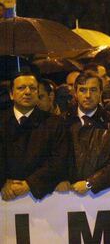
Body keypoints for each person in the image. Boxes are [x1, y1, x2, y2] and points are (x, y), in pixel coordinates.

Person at [56, 71, 110, 195]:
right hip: (68, 196)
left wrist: (91, 183)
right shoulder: (62, 122)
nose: (88, 95)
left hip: (103, 194)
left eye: (93, 90)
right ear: (75, 93)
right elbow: (55, 158)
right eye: (83, 90)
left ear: (100, 93)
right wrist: (60, 179)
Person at [0, 72, 69, 201]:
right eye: (21, 88)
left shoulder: (55, 123)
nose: (27, 92)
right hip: (6, 200)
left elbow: (59, 160)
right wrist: (3, 182)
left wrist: (30, 184)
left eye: (32, 88)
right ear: (11, 94)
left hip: (44, 201)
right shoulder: (2, 121)